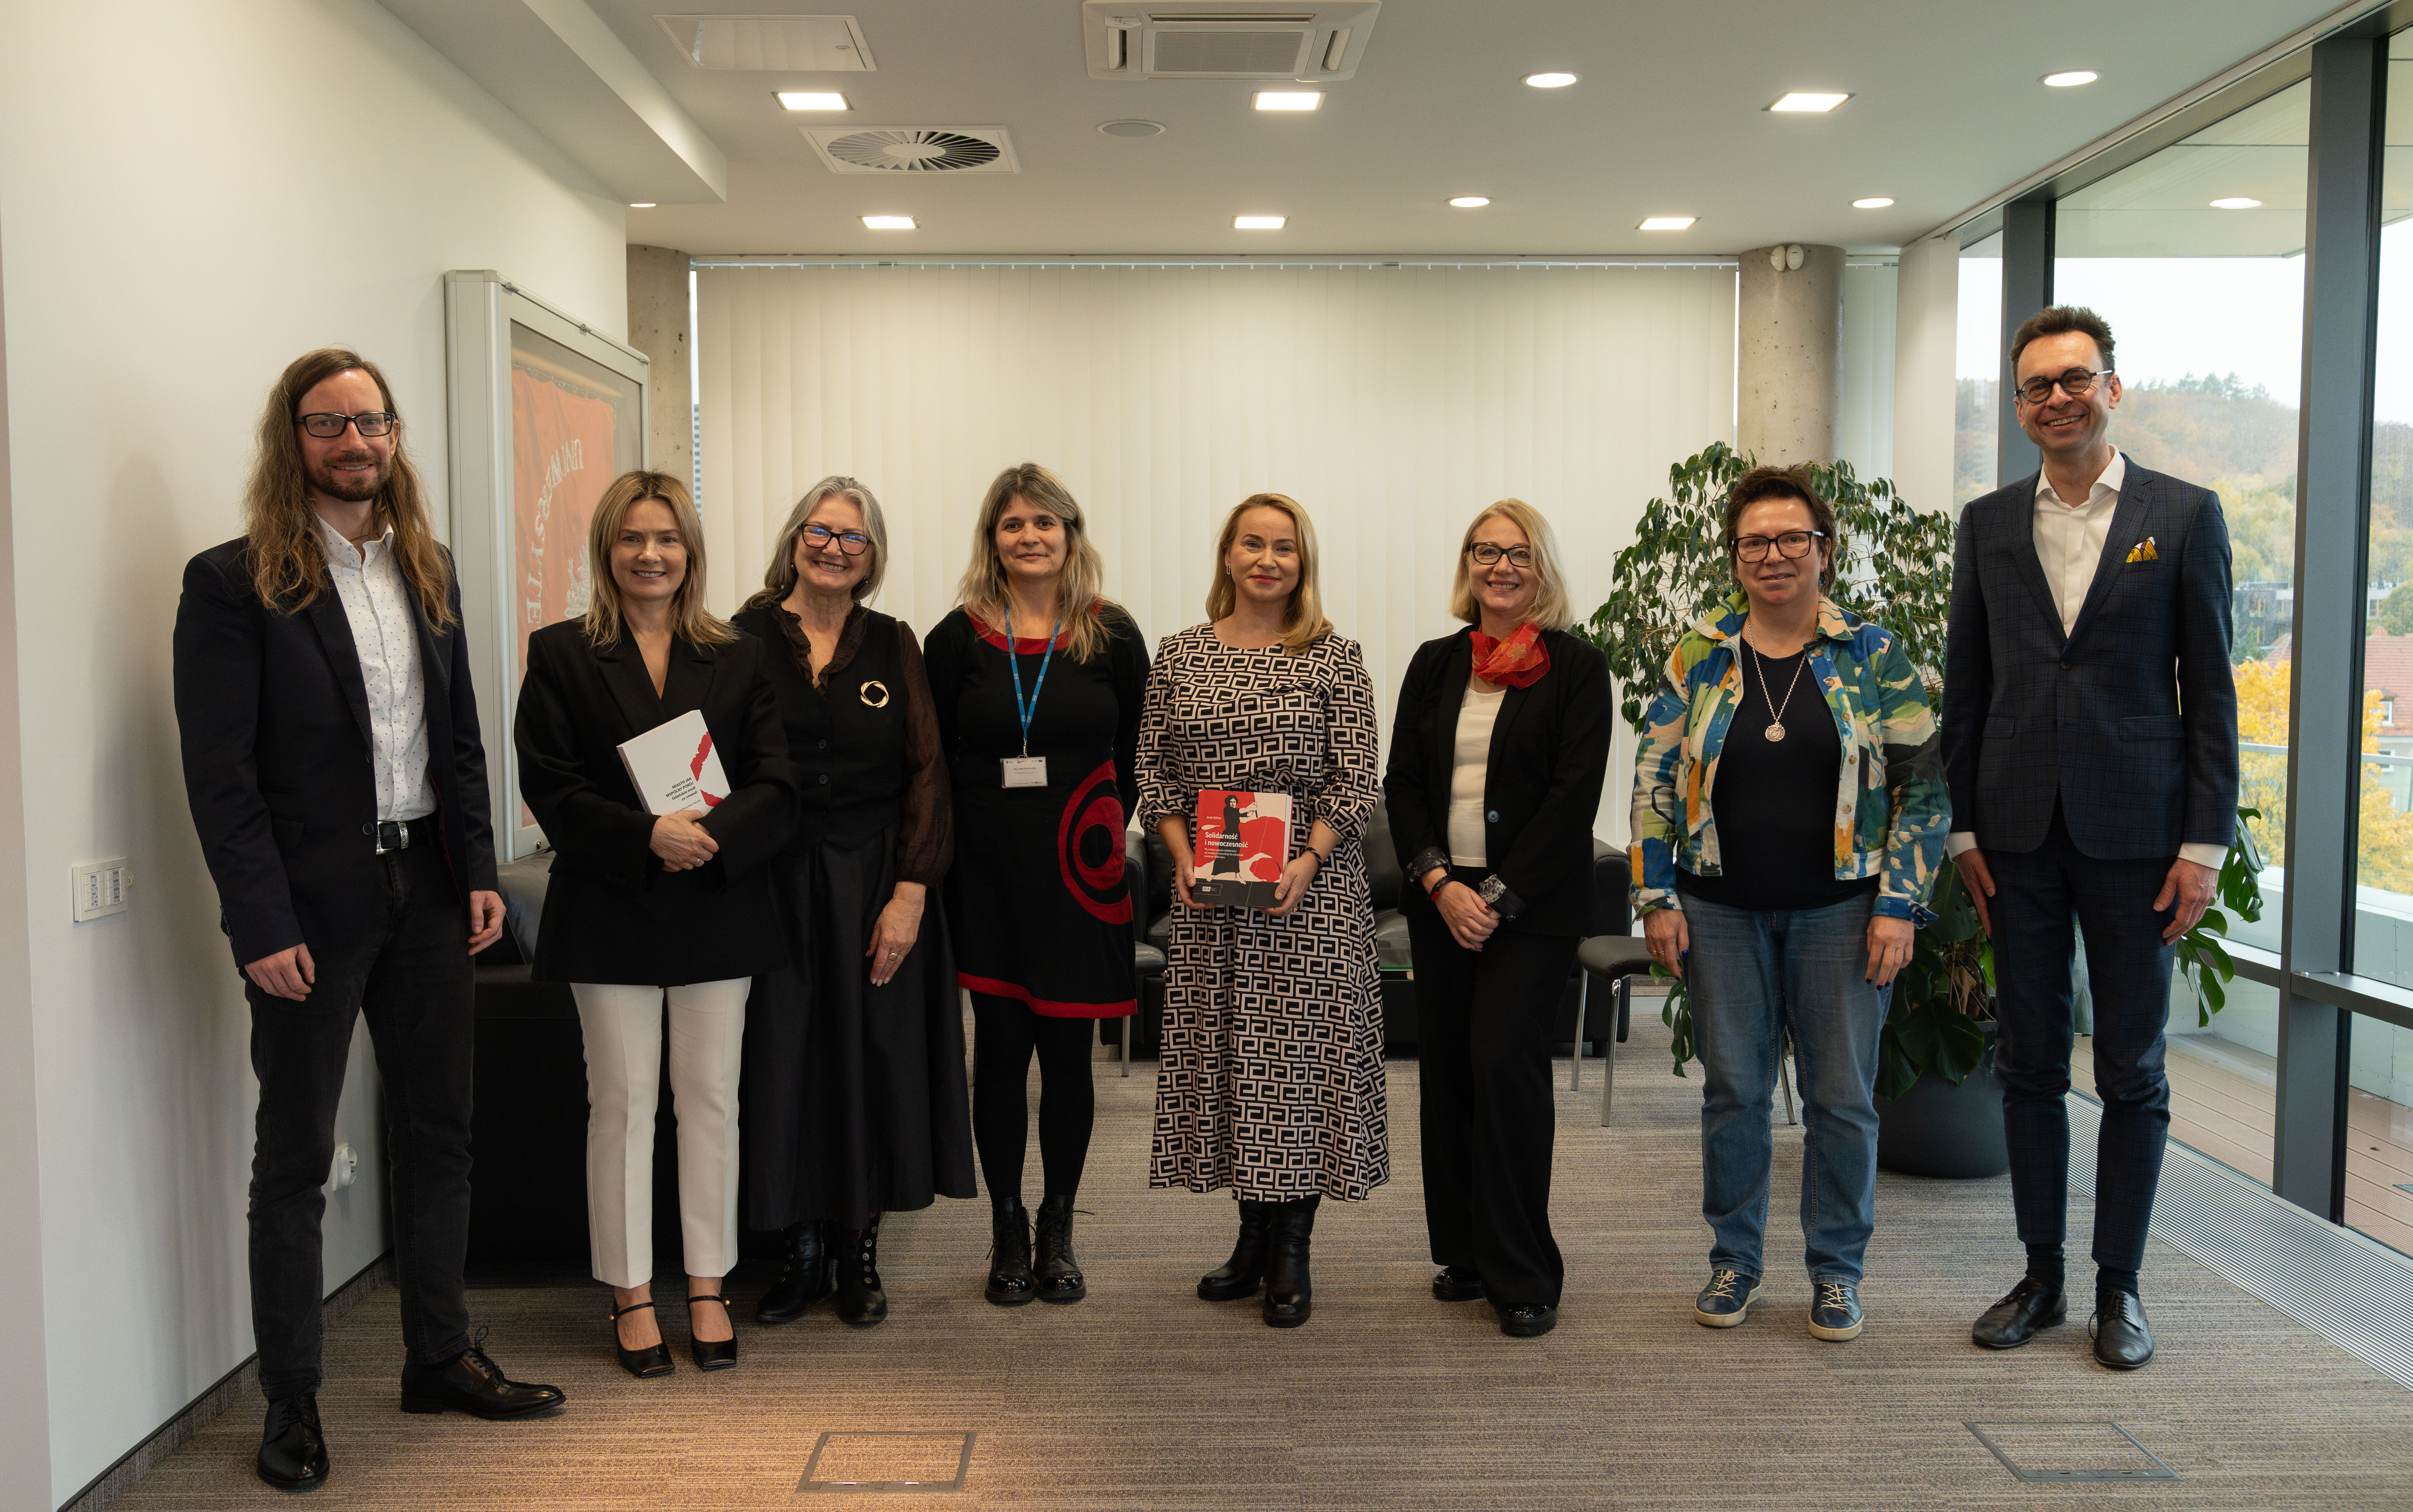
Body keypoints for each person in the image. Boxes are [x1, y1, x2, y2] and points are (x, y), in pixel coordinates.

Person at [174, 348, 565, 1492]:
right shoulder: (234, 582)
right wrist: (259, 922)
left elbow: (458, 738)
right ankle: (291, 1399)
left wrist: (478, 867)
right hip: (309, 908)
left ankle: (438, 1355)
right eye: (328, 423)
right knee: (296, 1157)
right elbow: (221, 777)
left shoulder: (426, 568)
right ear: (291, 438)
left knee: (442, 1134)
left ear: (394, 436)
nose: (354, 442)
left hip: (430, 892)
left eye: (371, 422)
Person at [1943, 306, 2237, 1371]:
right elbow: (1968, 685)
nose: (2057, 399)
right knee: (2027, 1063)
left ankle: (2122, 1289)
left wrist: (2204, 844)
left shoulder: (2184, 515)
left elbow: (2212, 691)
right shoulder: (1987, 524)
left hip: (2140, 836)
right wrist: (1962, 825)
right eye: (2037, 387)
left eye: (2075, 379)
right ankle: (2042, 1277)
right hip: (2015, 835)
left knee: (2132, 1071)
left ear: (2112, 387)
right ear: (2020, 407)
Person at [1630, 463, 1946, 1345]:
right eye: (1755, 542)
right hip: (1719, 909)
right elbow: (1655, 781)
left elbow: (1925, 787)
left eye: (1792, 539)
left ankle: (1837, 1271)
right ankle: (1734, 1259)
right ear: (1735, 558)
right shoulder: (1699, 654)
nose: (1774, 556)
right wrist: (1655, 895)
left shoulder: (1874, 654)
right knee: (1734, 1094)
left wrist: (1900, 904)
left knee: (1841, 1099)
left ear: (1824, 550)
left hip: (1843, 914)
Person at [514, 470, 798, 1378]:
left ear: (690, 551)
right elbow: (550, 783)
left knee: (712, 1101)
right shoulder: (562, 653)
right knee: (623, 1104)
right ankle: (631, 1292)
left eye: (667, 538)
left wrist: (704, 838)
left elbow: (777, 780)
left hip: (718, 903)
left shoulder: (740, 655)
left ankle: (708, 1284)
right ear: (608, 550)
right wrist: (648, 838)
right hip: (612, 907)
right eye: (633, 538)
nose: (650, 555)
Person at [1137, 492, 1389, 1328]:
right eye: (1253, 543)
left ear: (1302, 562)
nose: (1267, 560)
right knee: (1231, 1062)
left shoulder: (1334, 656)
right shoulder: (1179, 654)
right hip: (1212, 891)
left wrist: (1308, 860)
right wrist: (1180, 857)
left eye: (1284, 547)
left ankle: (1292, 1249)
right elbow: (1154, 773)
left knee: (1299, 1068)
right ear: (1228, 554)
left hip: (1309, 897)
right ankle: (1250, 1238)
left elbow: (1356, 776)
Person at [735, 476, 974, 1329]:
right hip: (773, 881)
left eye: (853, 538)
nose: (834, 549)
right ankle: (799, 1250)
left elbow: (928, 771)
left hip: (876, 881)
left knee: (875, 1060)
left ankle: (857, 1250)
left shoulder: (894, 642)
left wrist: (911, 893)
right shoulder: (741, 637)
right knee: (785, 1062)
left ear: (872, 557)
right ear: (794, 540)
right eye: (820, 532)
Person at [1382, 500, 1611, 1339]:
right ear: (1468, 565)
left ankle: (1523, 1272)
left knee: (1504, 1065)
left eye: (1518, 554)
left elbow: (1573, 796)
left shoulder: (1577, 668)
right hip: (1443, 898)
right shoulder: (1436, 663)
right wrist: (1439, 882)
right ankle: (1466, 1254)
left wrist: (1500, 896)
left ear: (1541, 567)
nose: (1501, 567)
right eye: (1486, 552)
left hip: (1532, 908)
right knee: (1448, 1069)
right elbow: (1404, 782)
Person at [925, 463, 1148, 1305]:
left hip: (1079, 875)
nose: (1030, 537)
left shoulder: (1111, 633)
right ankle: (1008, 1227)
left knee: (1067, 1056)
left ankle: (1058, 1226)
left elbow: (1138, 750)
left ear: (1070, 534)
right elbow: (933, 759)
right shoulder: (956, 638)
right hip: (986, 874)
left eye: (1045, 523)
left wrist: (1103, 822)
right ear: (993, 538)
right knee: (999, 1053)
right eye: (1014, 523)